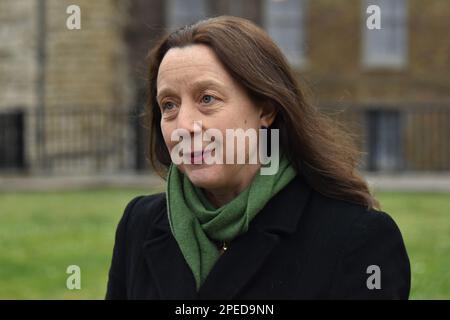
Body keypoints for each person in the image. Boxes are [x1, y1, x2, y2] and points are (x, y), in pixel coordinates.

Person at [106, 16, 410, 300]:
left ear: (266, 109)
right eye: (169, 105)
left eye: (207, 99)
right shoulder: (140, 224)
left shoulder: (357, 237)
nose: (184, 126)